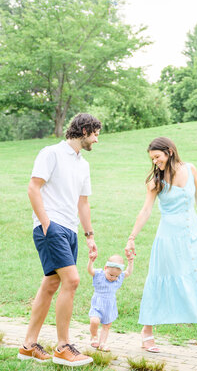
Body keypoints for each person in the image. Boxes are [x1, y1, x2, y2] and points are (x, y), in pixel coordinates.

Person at [124, 137, 197, 354]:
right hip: (168, 239)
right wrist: (132, 236)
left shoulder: (190, 169)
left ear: (169, 152)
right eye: (152, 159)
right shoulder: (156, 182)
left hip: (193, 235)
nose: (155, 163)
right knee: (160, 281)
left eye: (157, 157)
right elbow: (146, 211)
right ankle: (147, 332)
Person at [18, 113, 101, 367]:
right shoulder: (51, 153)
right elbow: (34, 187)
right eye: (96, 133)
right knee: (72, 281)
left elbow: (83, 202)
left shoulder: (83, 164)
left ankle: (29, 346)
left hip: (71, 230)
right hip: (51, 226)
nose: (97, 140)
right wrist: (46, 223)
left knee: (51, 284)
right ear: (85, 130)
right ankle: (63, 347)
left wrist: (89, 236)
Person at [88, 253, 134, 351]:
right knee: (94, 321)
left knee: (107, 326)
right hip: (98, 303)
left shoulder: (119, 276)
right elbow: (90, 270)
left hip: (110, 306)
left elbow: (128, 273)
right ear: (105, 268)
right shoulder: (99, 275)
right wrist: (91, 261)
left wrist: (130, 262)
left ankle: (103, 343)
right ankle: (94, 336)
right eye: (111, 275)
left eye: (116, 276)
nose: (113, 278)